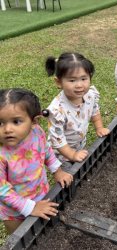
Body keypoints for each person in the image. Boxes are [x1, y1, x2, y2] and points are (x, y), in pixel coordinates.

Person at [0, 88, 73, 235]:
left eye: (16, 121)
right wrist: (30, 208)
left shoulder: (36, 132)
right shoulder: (2, 154)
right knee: (21, 238)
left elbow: (45, 151)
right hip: (14, 212)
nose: (7, 129)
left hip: (42, 196)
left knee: (43, 235)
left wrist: (57, 171)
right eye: (0, 123)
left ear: (34, 121)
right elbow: (2, 190)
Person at [46, 53, 110, 171]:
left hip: (80, 143)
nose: (79, 85)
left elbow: (94, 111)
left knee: (80, 169)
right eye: (72, 80)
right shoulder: (57, 111)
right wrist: (72, 155)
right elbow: (57, 141)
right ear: (59, 82)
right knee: (69, 175)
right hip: (62, 153)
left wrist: (99, 128)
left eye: (84, 79)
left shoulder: (89, 95)